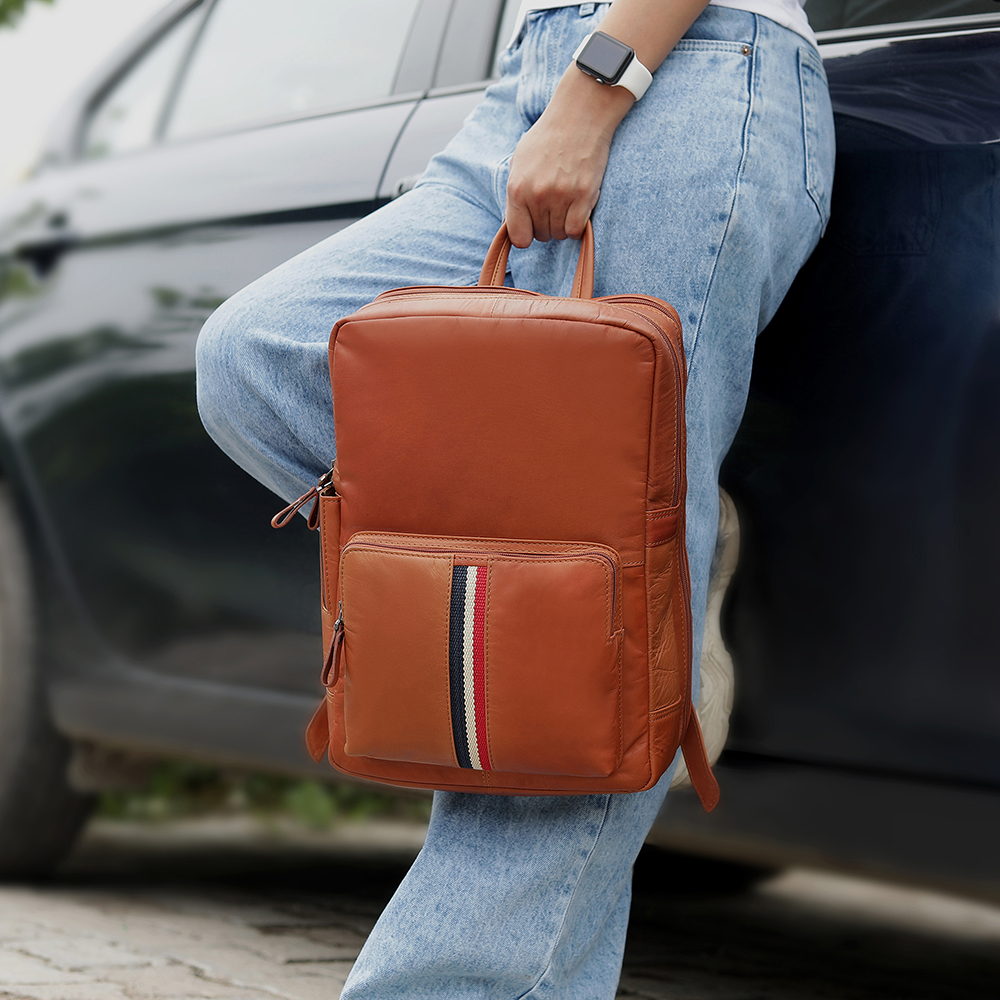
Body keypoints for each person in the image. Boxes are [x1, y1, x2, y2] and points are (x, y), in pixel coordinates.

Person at [195, 0, 834, 995]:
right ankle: (648, 572)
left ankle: (633, 595)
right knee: (256, 355)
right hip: (531, 79)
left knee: (569, 647)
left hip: (681, 69)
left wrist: (597, 86)